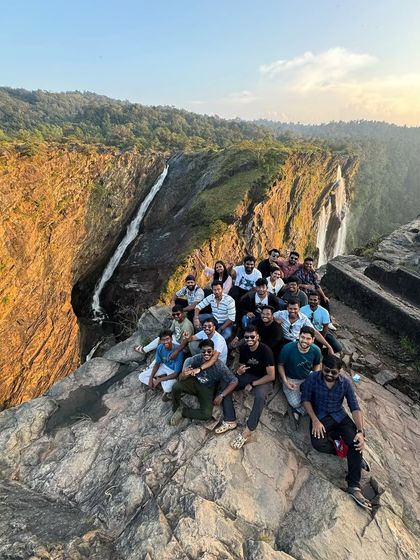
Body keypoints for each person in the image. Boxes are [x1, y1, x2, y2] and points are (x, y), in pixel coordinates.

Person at [302, 355, 372, 510]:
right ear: (322, 366)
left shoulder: (345, 383)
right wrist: (314, 420)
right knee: (318, 444)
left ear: (339, 371)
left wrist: (361, 432)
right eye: (326, 370)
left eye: (334, 373)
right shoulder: (313, 378)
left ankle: (354, 486)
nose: (329, 375)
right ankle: (348, 454)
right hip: (320, 417)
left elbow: (354, 407)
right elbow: (305, 400)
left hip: (339, 416)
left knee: (356, 442)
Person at [215, 326, 275, 449]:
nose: (249, 339)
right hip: (249, 375)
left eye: (252, 337)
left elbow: (271, 376)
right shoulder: (243, 348)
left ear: (257, 336)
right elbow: (243, 366)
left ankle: (248, 430)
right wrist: (239, 371)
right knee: (227, 382)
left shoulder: (265, 350)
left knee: (259, 397)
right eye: (246, 337)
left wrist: (253, 384)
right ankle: (230, 419)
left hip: (263, 379)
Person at [169, 339, 238, 424]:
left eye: (209, 351)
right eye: (203, 351)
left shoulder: (219, 366)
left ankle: (183, 412)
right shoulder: (196, 359)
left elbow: (234, 381)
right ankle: (176, 408)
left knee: (206, 414)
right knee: (176, 386)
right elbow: (181, 378)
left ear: (213, 351)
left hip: (207, 388)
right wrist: (184, 374)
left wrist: (221, 395)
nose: (206, 353)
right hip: (194, 382)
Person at [278, 326, 322, 425]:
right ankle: (305, 405)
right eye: (302, 337)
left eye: (308, 338)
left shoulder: (316, 350)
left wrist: (315, 377)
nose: (304, 341)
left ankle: (301, 410)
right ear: (299, 336)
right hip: (291, 378)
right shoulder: (288, 348)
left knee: (320, 395)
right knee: (295, 403)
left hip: (308, 376)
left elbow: (317, 364)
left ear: (313, 339)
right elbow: (280, 365)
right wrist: (285, 381)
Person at [138, 330, 184, 400]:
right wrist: (150, 378)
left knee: (168, 389)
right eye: (163, 340)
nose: (165, 342)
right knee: (141, 376)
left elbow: (176, 374)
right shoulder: (160, 347)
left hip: (172, 371)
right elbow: (157, 364)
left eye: (167, 339)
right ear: (160, 340)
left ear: (171, 339)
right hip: (163, 366)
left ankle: (160, 381)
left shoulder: (178, 351)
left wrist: (160, 379)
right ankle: (158, 381)